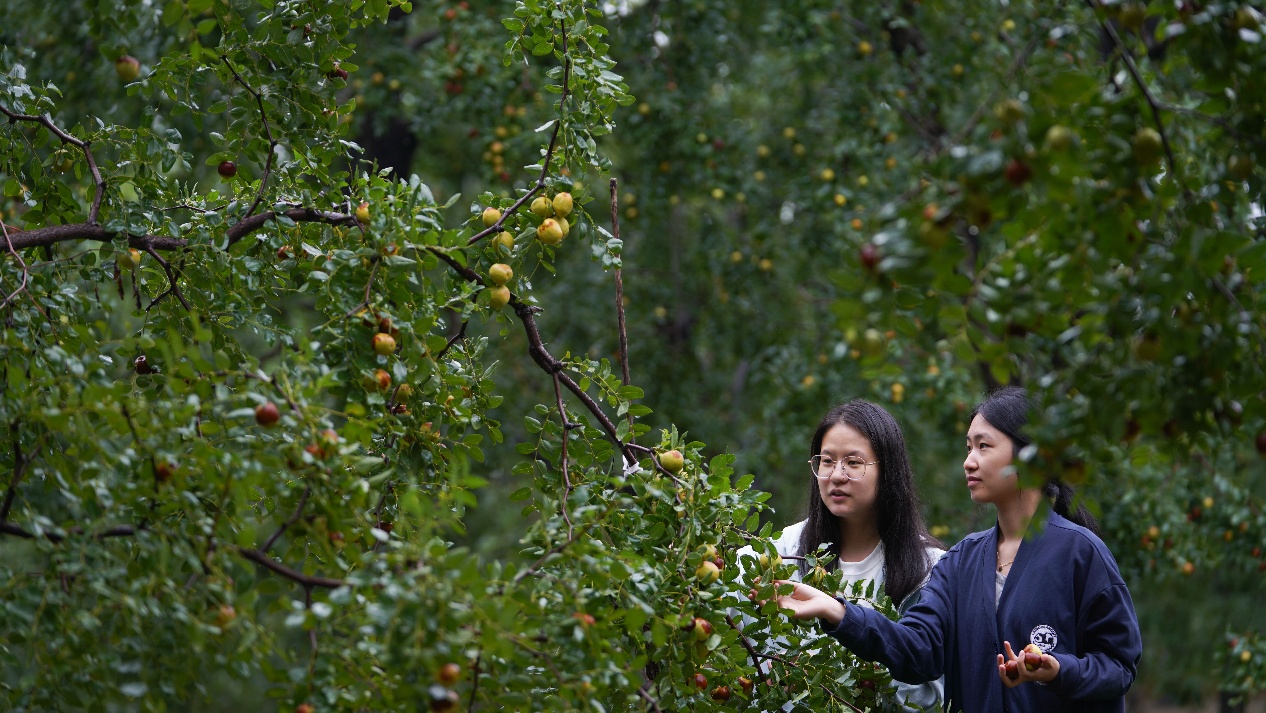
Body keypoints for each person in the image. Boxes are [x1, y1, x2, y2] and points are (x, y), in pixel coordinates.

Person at [773, 386, 1143, 712]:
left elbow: (1119, 667)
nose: (969, 461)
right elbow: (917, 652)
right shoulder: (960, 563)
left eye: (984, 446)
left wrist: (1059, 670)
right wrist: (838, 613)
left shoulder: (1080, 553)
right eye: (968, 447)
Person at [736, 399, 945, 711]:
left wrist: (868, 676)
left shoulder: (930, 570)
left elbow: (932, 698)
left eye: (854, 462)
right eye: (826, 460)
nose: (836, 475)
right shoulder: (781, 553)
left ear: (888, 471)